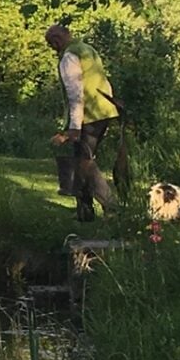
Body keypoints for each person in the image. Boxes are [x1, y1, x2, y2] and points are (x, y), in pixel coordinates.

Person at [46, 24, 119, 220]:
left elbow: (75, 93)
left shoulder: (69, 57)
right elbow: (103, 81)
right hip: (104, 111)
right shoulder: (88, 50)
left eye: (51, 44)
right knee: (80, 162)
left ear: (56, 41)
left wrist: (74, 129)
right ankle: (84, 213)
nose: (52, 48)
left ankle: (111, 206)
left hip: (89, 115)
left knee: (85, 162)